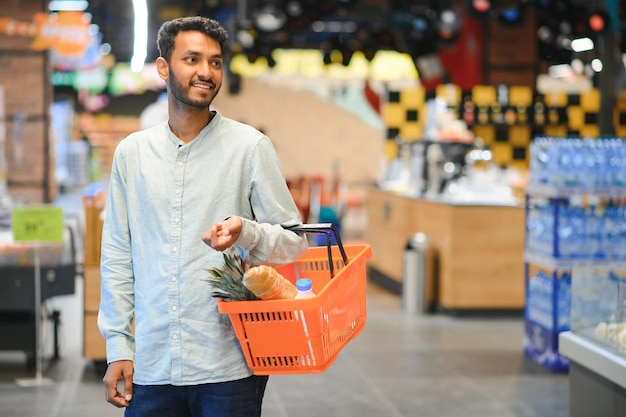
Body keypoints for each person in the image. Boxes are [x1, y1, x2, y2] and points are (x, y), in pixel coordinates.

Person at [98, 16, 308, 417]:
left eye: (215, 62)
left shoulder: (250, 148)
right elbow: (118, 257)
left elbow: (295, 241)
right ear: (164, 68)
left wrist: (247, 231)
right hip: (153, 364)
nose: (206, 72)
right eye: (192, 59)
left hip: (228, 364)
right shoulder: (132, 154)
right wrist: (118, 346)